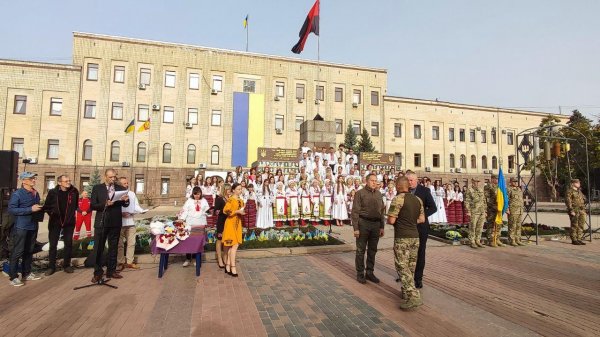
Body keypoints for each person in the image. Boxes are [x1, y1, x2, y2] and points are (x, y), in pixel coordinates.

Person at [387, 176, 426, 311]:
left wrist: (401, 221)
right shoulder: (418, 199)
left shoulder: (398, 199)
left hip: (402, 237)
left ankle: (413, 295)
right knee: (410, 266)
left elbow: (391, 220)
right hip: (415, 237)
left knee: (402, 267)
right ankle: (406, 292)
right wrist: (410, 221)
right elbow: (422, 219)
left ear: (398, 186)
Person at [90, 169, 129, 282]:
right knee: (99, 248)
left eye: (114, 177)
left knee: (113, 247)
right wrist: (105, 204)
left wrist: (125, 200)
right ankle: (98, 272)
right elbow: (93, 205)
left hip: (115, 221)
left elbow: (126, 203)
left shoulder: (121, 188)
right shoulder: (97, 188)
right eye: (110, 177)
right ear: (105, 176)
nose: (113, 179)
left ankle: (111, 271)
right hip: (102, 222)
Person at [7, 172, 44, 286]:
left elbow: (35, 207)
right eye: (31, 178)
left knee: (29, 251)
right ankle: (13, 277)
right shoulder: (17, 194)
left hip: (33, 225)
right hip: (21, 227)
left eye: (34, 178)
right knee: (18, 251)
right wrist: (30, 209)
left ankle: (26, 273)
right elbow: (12, 209)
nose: (34, 180)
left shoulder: (35, 193)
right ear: (24, 181)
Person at [404, 171, 436, 289]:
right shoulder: (403, 191)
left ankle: (418, 278)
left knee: (420, 252)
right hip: (407, 227)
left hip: (421, 227)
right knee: (406, 252)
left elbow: (433, 207)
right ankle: (406, 276)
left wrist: (421, 215)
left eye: (412, 180)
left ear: (416, 180)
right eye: (408, 180)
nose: (410, 182)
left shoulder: (424, 191)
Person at [351, 173, 385, 284]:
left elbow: (382, 211)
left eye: (376, 181)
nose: (375, 183)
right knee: (360, 250)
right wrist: (355, 228)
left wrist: (382, 226)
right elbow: (355, 211)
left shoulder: (379, 194)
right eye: (372, 180)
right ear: (366, 181)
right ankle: (360, 273)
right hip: (363, 224)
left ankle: (369, 272)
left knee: (372, 250)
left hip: (375, 225)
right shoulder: (360, 193)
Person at [44, 174, 79, 276]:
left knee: (68, 244)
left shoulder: (74, 191)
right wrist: (53, 214)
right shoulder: (53, 192)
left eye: (69, 181)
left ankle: (67, 265)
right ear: (59, 183)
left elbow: (75, 205)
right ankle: (51, 267)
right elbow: (47, 207)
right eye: (66, 181)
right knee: (53, 244)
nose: (68, 182)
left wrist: (71, 216)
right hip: (55, 222)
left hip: (69, 222)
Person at [117, 177, 146, 270]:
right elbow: (113, 208)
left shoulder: (132, 194)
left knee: (131, 243)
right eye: (124, 183)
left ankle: (129, 262)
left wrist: (142, 210)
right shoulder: (116, 194)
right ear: (120, 185)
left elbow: (136, 206)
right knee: (120, 244)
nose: (126, 185)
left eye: (127, 183)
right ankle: (120, 262)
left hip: (130, 222)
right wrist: (120, 214)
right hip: (120, 223)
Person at [179, 186, 210, 267]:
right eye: (195, 194)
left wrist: (209, 212)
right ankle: (188, 258)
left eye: (198, 194)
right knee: (188, 240)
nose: (197, 196)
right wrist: (182, 218)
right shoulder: (189, 201)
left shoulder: (204, 200)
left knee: (197, 241)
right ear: (193, 194)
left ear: (201, 194)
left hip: (200, 222)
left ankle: (196, 258)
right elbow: (185, 210)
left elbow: (207, 211)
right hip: (190, 223)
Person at [222, 183, 245, 277]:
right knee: (234, 245)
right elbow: (225, 211)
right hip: (230, 223)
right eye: (238, 189)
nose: (240, 190)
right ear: (234, 190)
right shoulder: (230, 200)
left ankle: (227, 265)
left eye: (241, 189)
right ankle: (233, 267)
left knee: (234, 246)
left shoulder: (241, 200)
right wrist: (237, 211)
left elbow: (240, 210)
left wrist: (241, 212)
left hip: (238, 223)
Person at [465, 178, 486, 249]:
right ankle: (472, 241)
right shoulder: (469, 190)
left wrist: (485, 211)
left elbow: (484, 201)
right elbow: (466, 201)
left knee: (480, 227)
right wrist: (468, 211)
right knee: (473, 227)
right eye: (475, 182)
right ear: (472, 182)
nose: (477, 183)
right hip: (474, 212)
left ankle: (478, 240)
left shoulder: (481, 190)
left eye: (478, 182)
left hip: (482, 212)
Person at [565, 179, 587, 245]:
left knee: (581, 225)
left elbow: (584, 199)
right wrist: (571, 210)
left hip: (581, 210)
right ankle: (574, 239)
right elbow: (568, 201)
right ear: (573, 183)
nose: (579, 183)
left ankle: (579, 239)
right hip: (574, 210)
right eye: (577, 182)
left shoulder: (579, 191)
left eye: (579, 182)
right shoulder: (569, 191)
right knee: (574, 225)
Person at [214, 184, 231, 268]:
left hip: (229, 221)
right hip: (221, 221)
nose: (229, 191)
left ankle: (225, 257)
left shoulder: (231, 199)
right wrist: (224, 211)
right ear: (224, 189)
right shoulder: (219, 199)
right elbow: (216, 211)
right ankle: (219, 258)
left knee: (227, 239)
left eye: (230, 189)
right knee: (220, 239)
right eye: (228, 189)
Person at [484, 174, 503, 247]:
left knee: (498, 224)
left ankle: (497, 239)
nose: (498, 180)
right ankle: (490, 240)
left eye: (498, 179)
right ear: (492, 179)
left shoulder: (499, 187)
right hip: (491, 209)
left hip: (498, 209)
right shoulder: (488, 186)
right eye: (496, 179)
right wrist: (493, 206)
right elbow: (486, 198)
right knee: (491, 224)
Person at [506, 177, 525, 246]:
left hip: (519, 210)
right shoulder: (508, 189)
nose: (515, 183)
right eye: (514, 181)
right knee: (512, 226)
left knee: (518, 226)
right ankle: (511, 240)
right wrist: (507, 209)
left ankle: (517, 239)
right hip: (513, 211)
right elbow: (506, 200)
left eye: (516, 181)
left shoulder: (519, 189)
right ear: (510, 182)